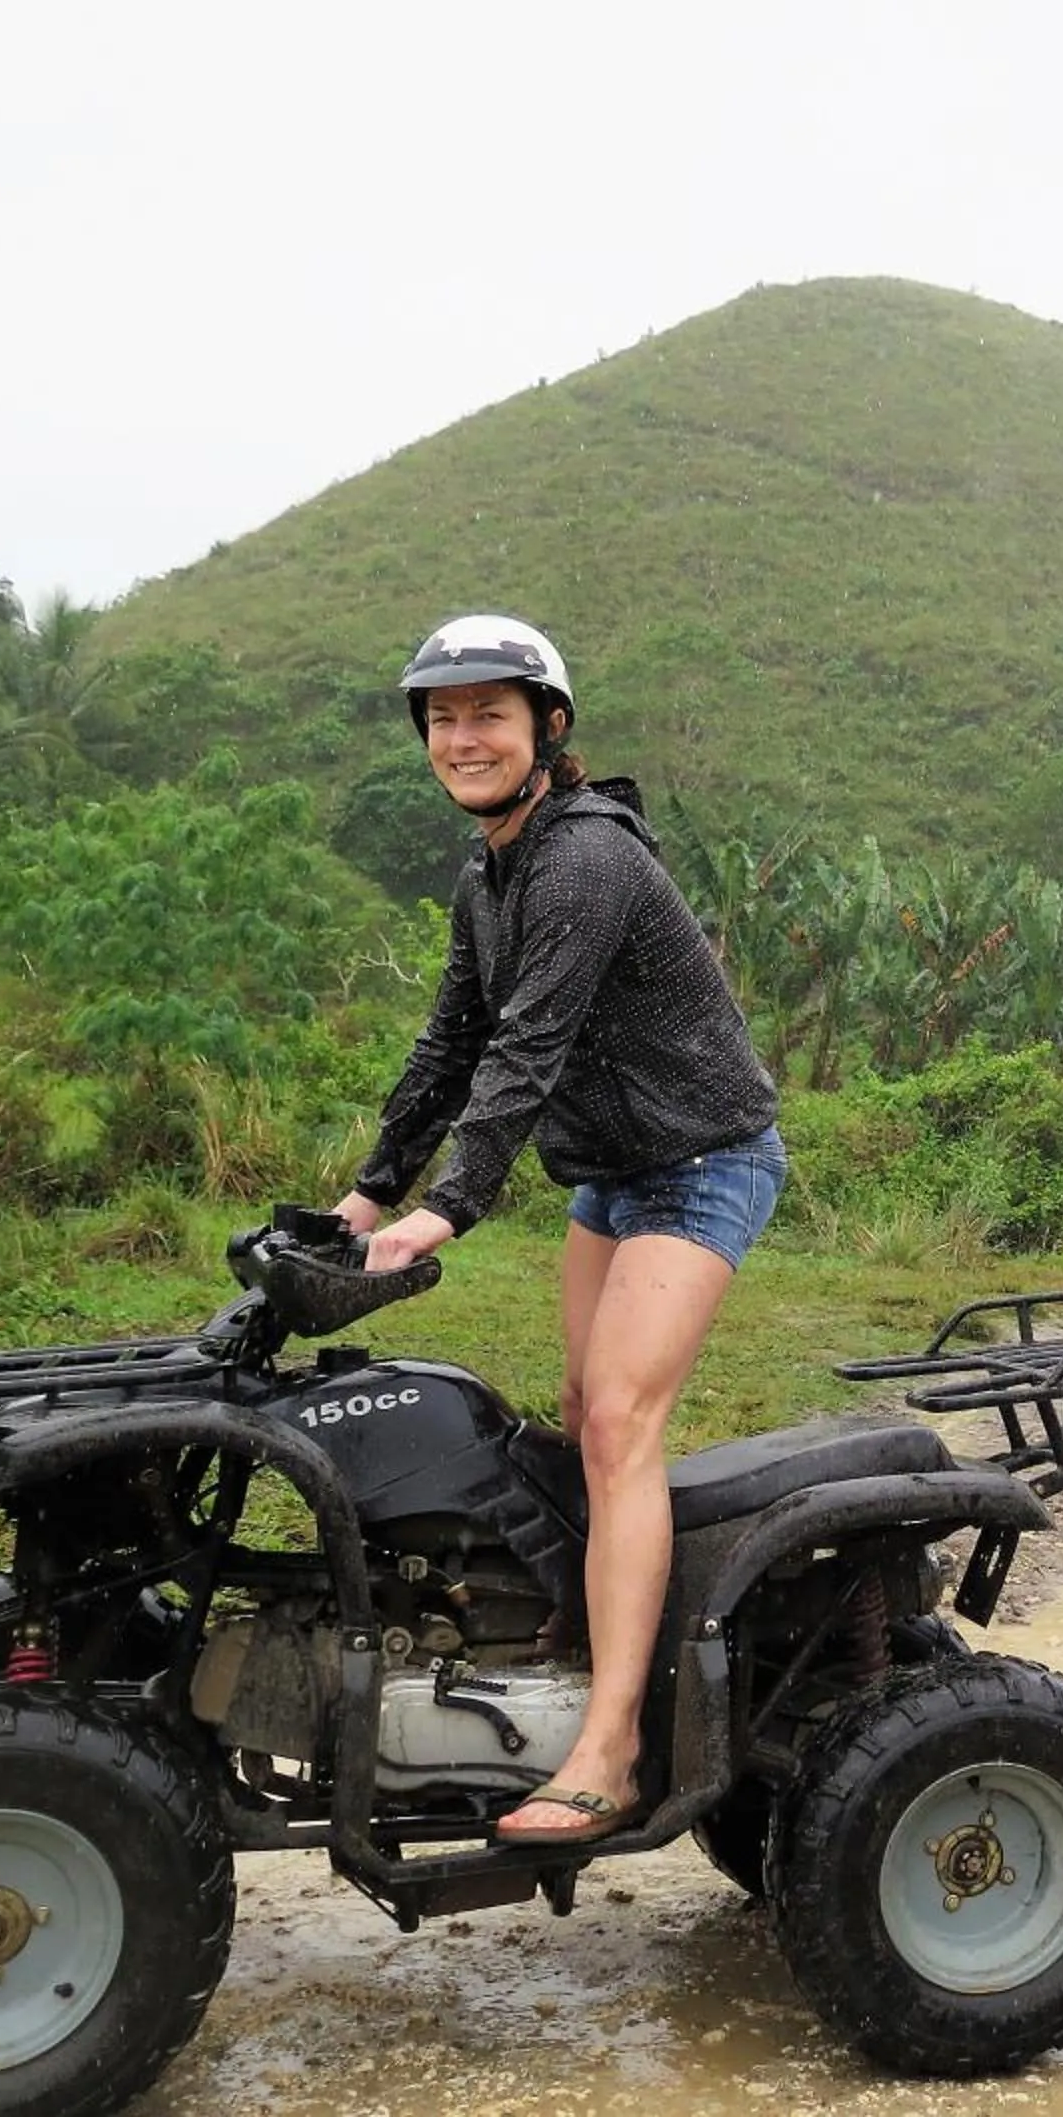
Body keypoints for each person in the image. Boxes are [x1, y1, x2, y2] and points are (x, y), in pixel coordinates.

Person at [333, 612, 786, 1842]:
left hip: (703, 1165)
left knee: (624, 1425)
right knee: (584, 1418)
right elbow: (452, 1043)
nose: (462, 737)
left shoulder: (585, 859)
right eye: (442, 717)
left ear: (548, 728)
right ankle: (603, 1632)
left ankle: (613, 1748)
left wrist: (446, 1210)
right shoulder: (488, 871)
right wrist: (369, 1191)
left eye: (489, 712)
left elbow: (526, 1048)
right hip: (609, 1178)